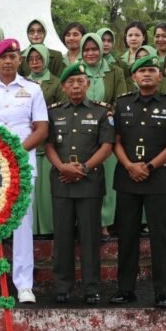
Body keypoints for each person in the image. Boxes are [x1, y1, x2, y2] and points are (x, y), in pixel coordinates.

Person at [0, 38, 48, 304]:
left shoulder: (32, 89)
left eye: (12, 56)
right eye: (2, 56)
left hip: (22, 166)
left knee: (22, 225)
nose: (7, 60)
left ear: (19, 60)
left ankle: (24, 284)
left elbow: (41, 129)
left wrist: (14, 153)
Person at [109, 54, 166, 308]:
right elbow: (115, 142)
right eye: (142, 71)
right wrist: (130, 165)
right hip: (128, 178)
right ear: (133, 77)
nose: (147, 74)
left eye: (152, 70)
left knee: (162, 237)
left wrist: (150, 166)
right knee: (127, 236)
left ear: (160, 76)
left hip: (159, 178)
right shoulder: (122, 104)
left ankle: (164, 290)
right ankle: (126, 289)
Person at [45, 61, 114, 304]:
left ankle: (91, 287)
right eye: (71, 82)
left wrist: (84, 168)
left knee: (89, 238)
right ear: (63, 86)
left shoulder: (101, 112)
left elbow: (107, 147)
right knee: (62, 237)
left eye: (80, 82)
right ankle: (63, 286)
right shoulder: (53, 113)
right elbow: (49, 145)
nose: (76, 86)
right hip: (62, 181)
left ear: (88, 84)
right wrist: (62, 167)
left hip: (89, 182)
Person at [79, 33, 127, 241]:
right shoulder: (76, 71)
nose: (90, 53)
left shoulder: (115, 72)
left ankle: (105, 223)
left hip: (107, 130)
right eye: (86, 49)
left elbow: (121, 100)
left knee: (107, 179)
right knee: (84, 175)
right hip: (81, 131)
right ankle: (84, 222)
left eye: (94, 49)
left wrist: (104, 114)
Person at [24, 44, 66, 237]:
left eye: (38, 58)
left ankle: (48, 229)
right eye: (31, 59)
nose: (35, 62)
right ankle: (31, 229)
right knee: (29, 188)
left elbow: (60, 110)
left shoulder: (56, 82)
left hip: (48, 138)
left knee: (46, 190)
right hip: (28, 140)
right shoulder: (22, 83)